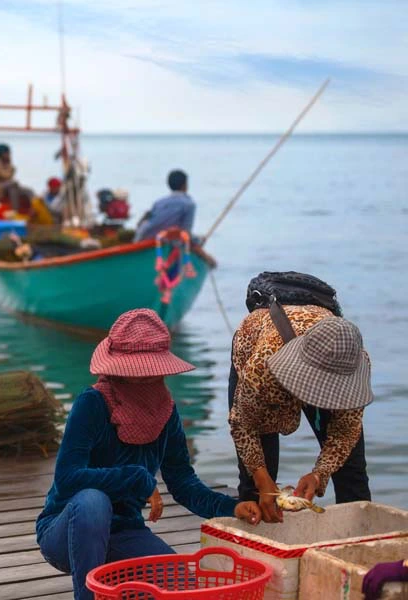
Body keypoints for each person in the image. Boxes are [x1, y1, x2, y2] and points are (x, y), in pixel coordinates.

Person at [36, 309, 262, 600]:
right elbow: (68, 478)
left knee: (184, 588)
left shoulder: (165, 411)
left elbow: (183, 482)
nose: (144, 379)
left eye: (151, 373)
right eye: (136, 374)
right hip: (68, 530)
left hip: (123, 532)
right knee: (93, 500)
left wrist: (231, 507)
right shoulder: (91, 403)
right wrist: (138, 479)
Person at [229, 297, 373, 523]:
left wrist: (318, 475)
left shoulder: (353, 361)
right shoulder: (263, 365)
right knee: (257, 485)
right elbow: (243, 424)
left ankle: (357, 535)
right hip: (263, 350)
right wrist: (261, 476)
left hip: (320, 352)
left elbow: (346, 432)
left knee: (351, 473)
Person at [133, 170, 195, 242]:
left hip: (145, 237)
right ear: (185, 185)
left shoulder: (159, 202)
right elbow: (186, 232)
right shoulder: (189, 204)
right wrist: (197, 240)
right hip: (167, 241)